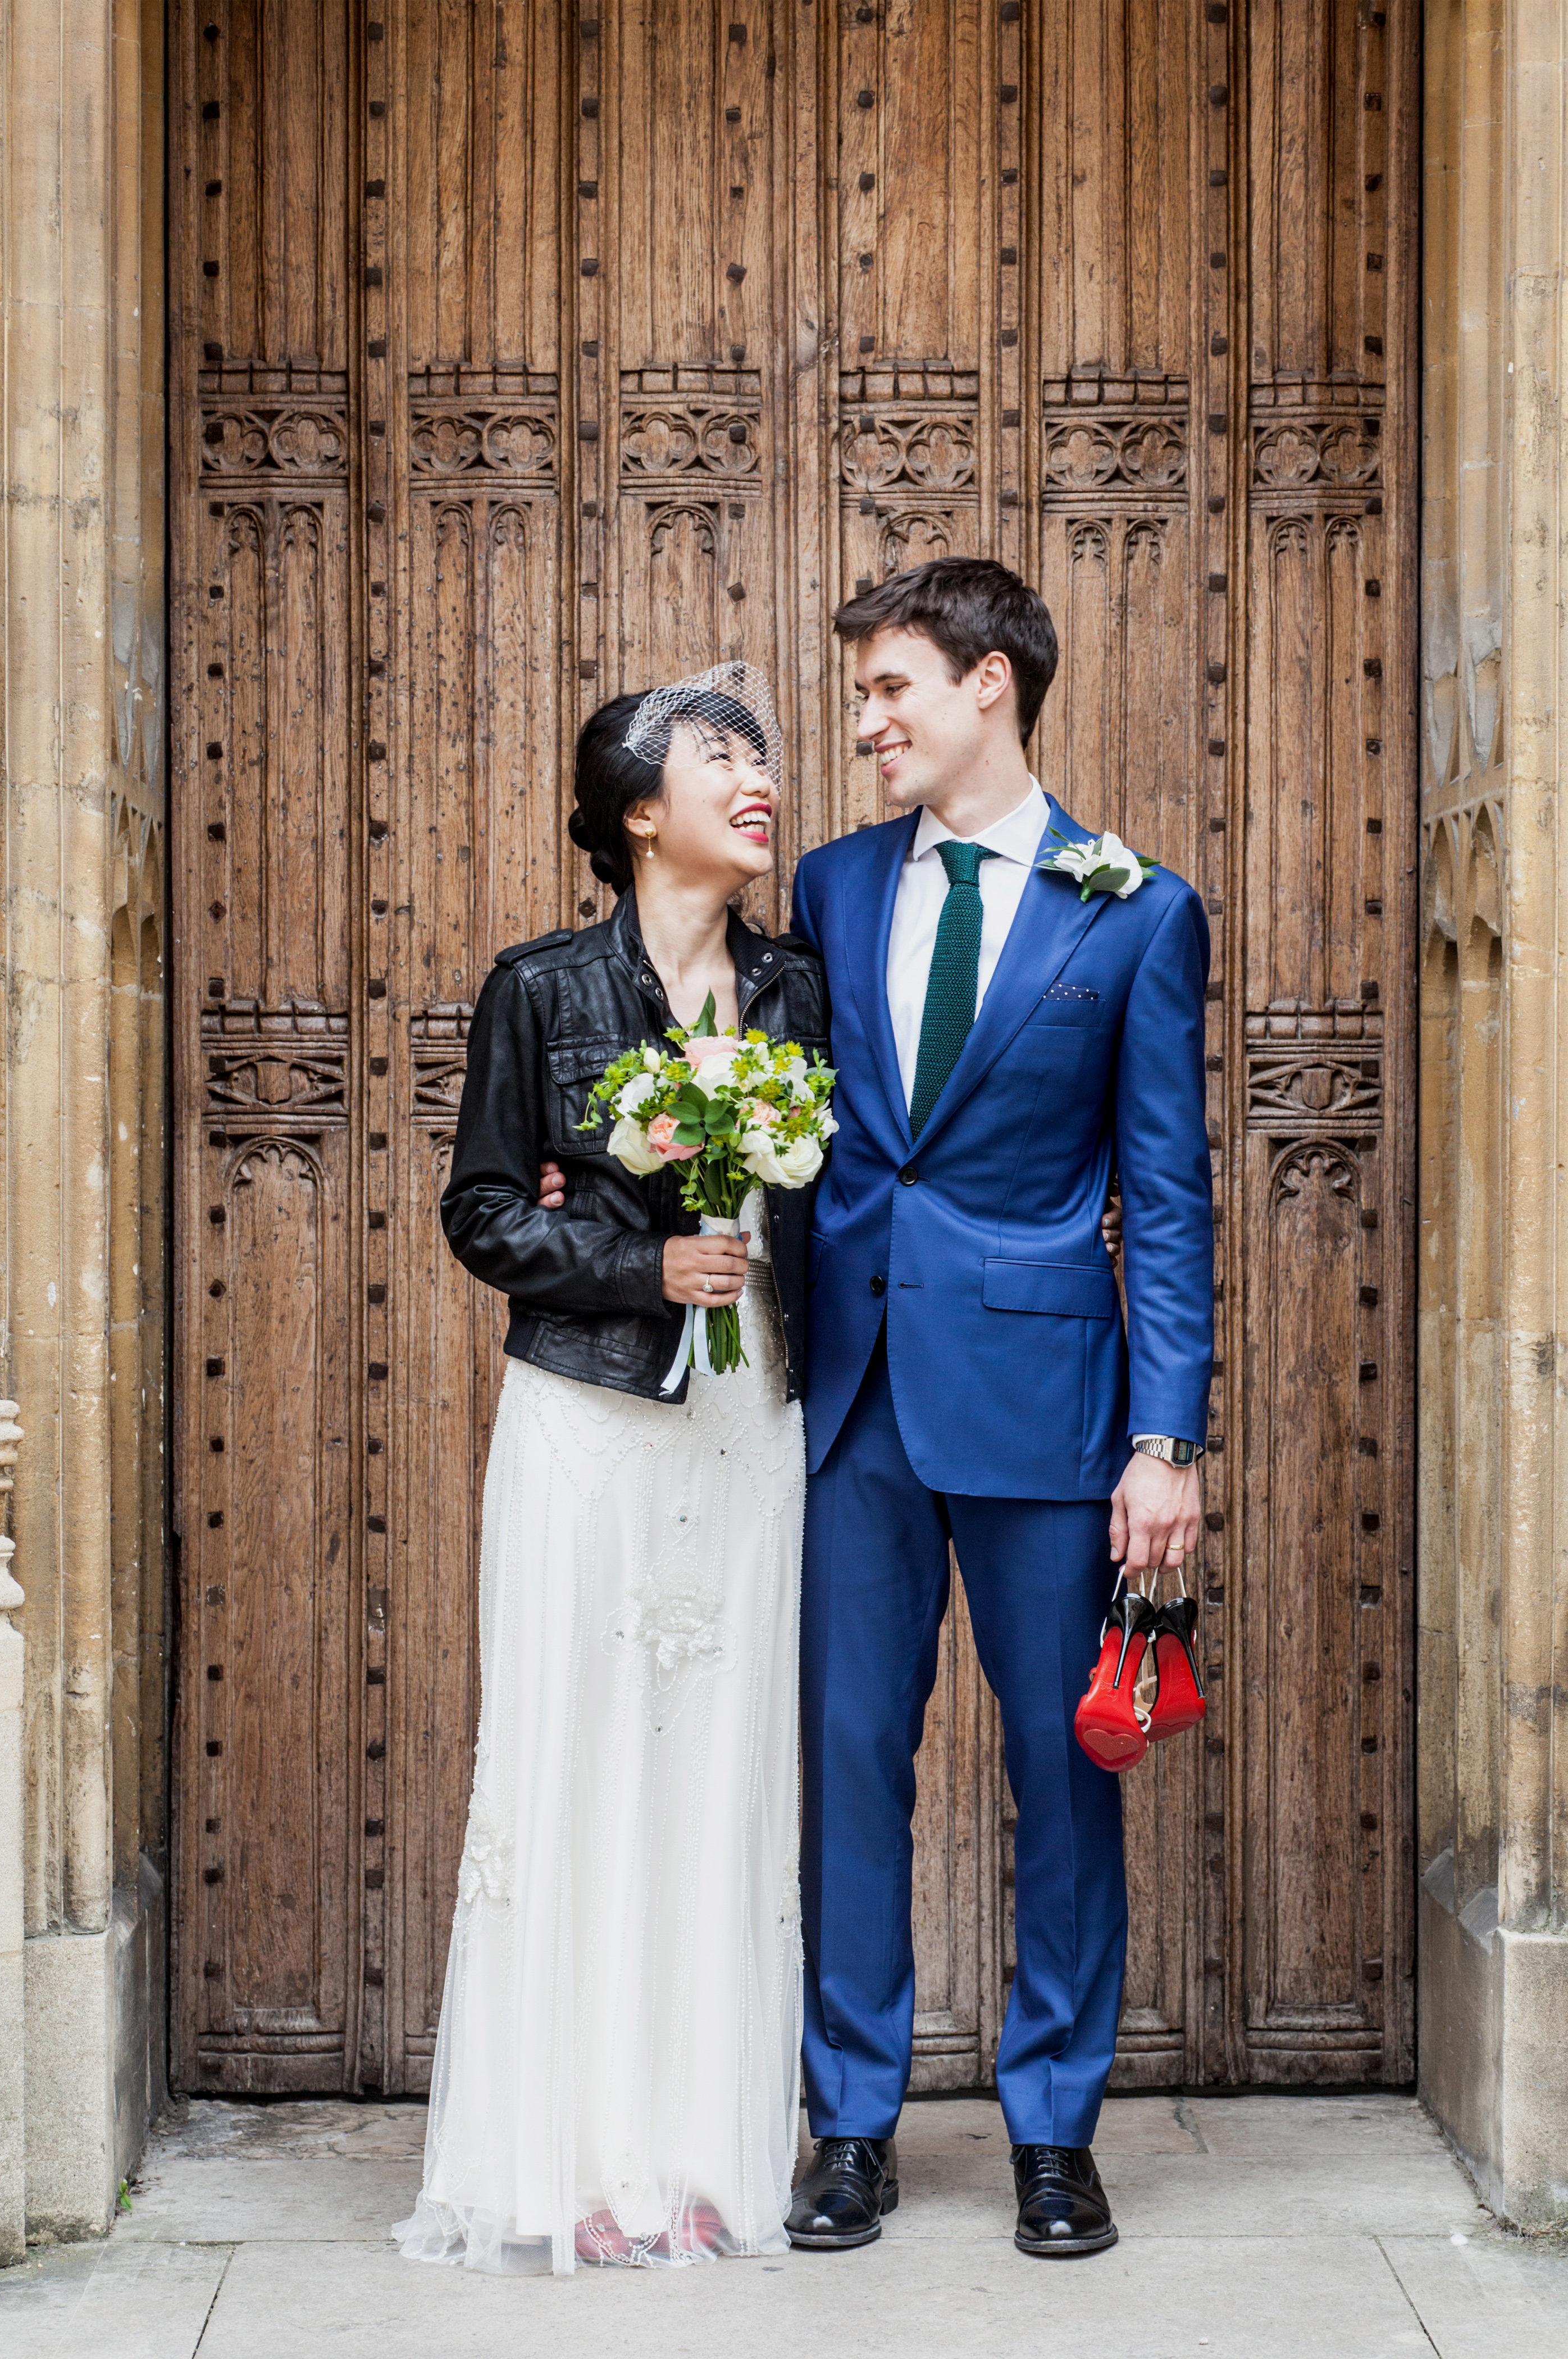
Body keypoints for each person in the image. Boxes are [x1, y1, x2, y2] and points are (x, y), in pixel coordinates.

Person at [781, 557, 1213, 2260]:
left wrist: (1163, 1440)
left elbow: (1164, 1194)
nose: (867, 723)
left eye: (891, 689)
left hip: (1051, 1404)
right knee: (847, 1765)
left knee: (1062, 1771)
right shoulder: (824, 884)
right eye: (862, 694)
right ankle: (851, 2120)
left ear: (990, 689)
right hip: (856, 1402)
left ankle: (1053, 2127)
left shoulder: (1136, 910)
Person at [393, 668, 828, 2275]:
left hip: (749, 1423)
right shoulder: (540, 990)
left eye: (767, 759)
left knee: (716, 1781)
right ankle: (565, 2158)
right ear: (642, 809)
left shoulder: (795, 991)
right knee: (575, 1771)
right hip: (588, 1421)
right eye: (725, 759)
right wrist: (638, 1271)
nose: (763, 780)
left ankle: (705, 2150)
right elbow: (483, 1210)